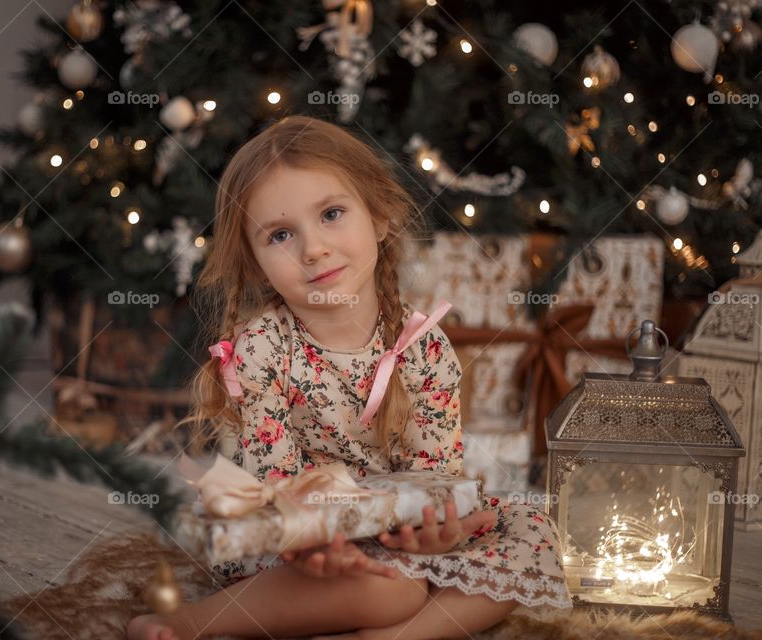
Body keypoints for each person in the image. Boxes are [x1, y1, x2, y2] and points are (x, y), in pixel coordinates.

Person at [127, 115, 570, 640]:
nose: (312, 249)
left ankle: (395, 637)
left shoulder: (423, 347)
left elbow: (432, 474)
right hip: (297, 532)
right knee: (394, 588)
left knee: (531, 534)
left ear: (379, 218)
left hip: (395, 527)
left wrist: (433, 532)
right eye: (281, 235)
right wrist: (312, 542)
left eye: (332, 214)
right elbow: (276, 487)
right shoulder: (263, 348)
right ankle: (189, 622)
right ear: (255, 263)